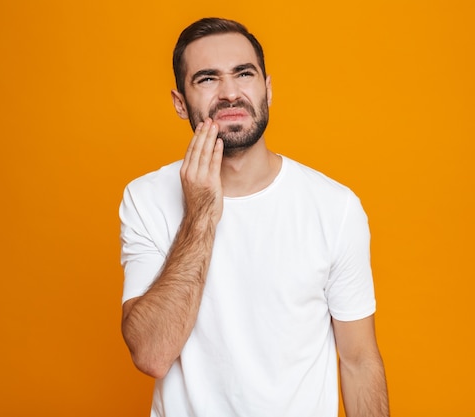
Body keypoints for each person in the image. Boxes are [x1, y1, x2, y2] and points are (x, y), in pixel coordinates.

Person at [119, 17, 389, 417]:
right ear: (180, 103)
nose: (230, 93)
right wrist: (201, 212)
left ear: (267, 88)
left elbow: (358, 361)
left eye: (244, 74)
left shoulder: (334, 207)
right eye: (207, 79)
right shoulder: (145, 199)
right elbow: (152, 354)